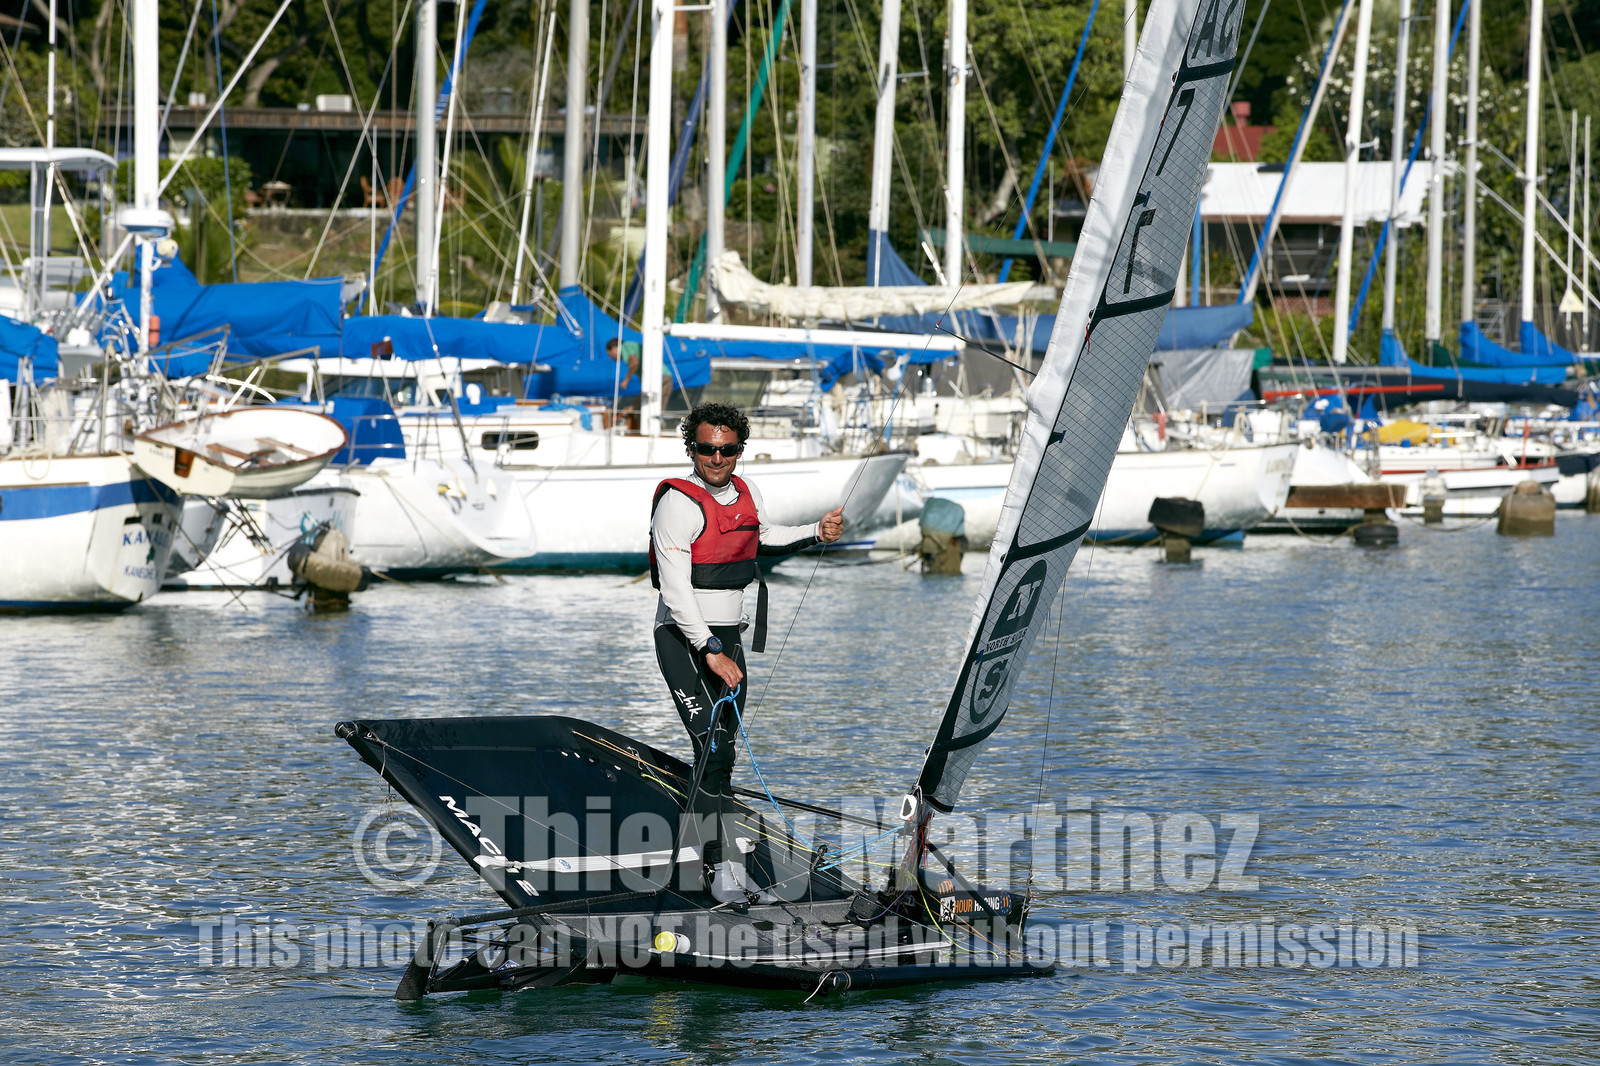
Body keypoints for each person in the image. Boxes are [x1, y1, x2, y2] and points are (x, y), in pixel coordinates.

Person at [650, 401, 844, 900]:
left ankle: (720, 864)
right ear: (690, 448)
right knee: (710, 748)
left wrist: (813, 533)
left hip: (728, 636)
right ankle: (700, 870)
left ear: (739, 450)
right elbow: (674, 589)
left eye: (727, 449)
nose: (717, 459)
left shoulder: (746, 492)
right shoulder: (677, 504)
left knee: (723, 755)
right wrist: (710, 649)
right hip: (684, 639)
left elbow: (762, 538)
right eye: (706, 449)